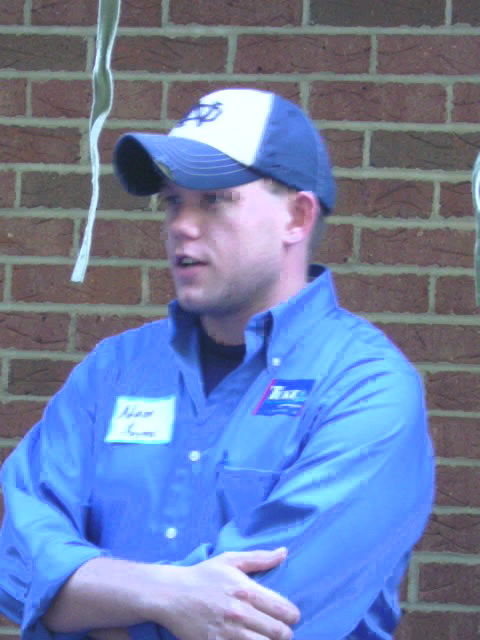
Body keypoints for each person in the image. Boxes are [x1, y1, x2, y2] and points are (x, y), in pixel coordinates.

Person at [0, 88, 435, 640]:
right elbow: (15, 564)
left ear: (296, 216)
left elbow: (262, 617)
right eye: (172, 201)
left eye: (213, 200)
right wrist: (168, 598)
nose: (181, 225)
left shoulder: (366, 387)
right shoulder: (113, 370)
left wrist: (81, 608)